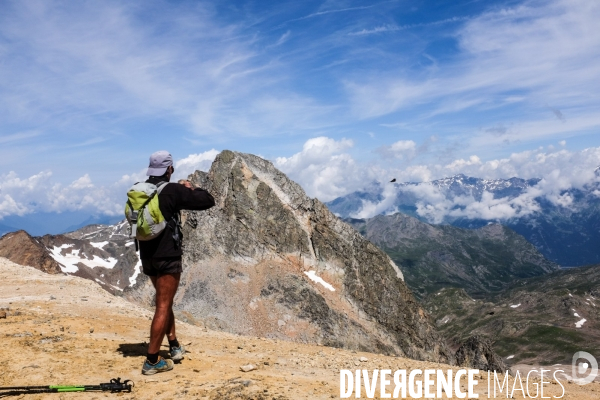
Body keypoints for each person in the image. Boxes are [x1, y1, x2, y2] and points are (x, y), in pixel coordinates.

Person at [139, 150, 215, 375]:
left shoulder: (142, 190)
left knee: (165, 300)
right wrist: (190, 188)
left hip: (147, 254)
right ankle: (152, 361)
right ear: (169, 169)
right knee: (162, 305)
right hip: (167, 256)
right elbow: (207, 201)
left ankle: (173, 345)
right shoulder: (172, 190)